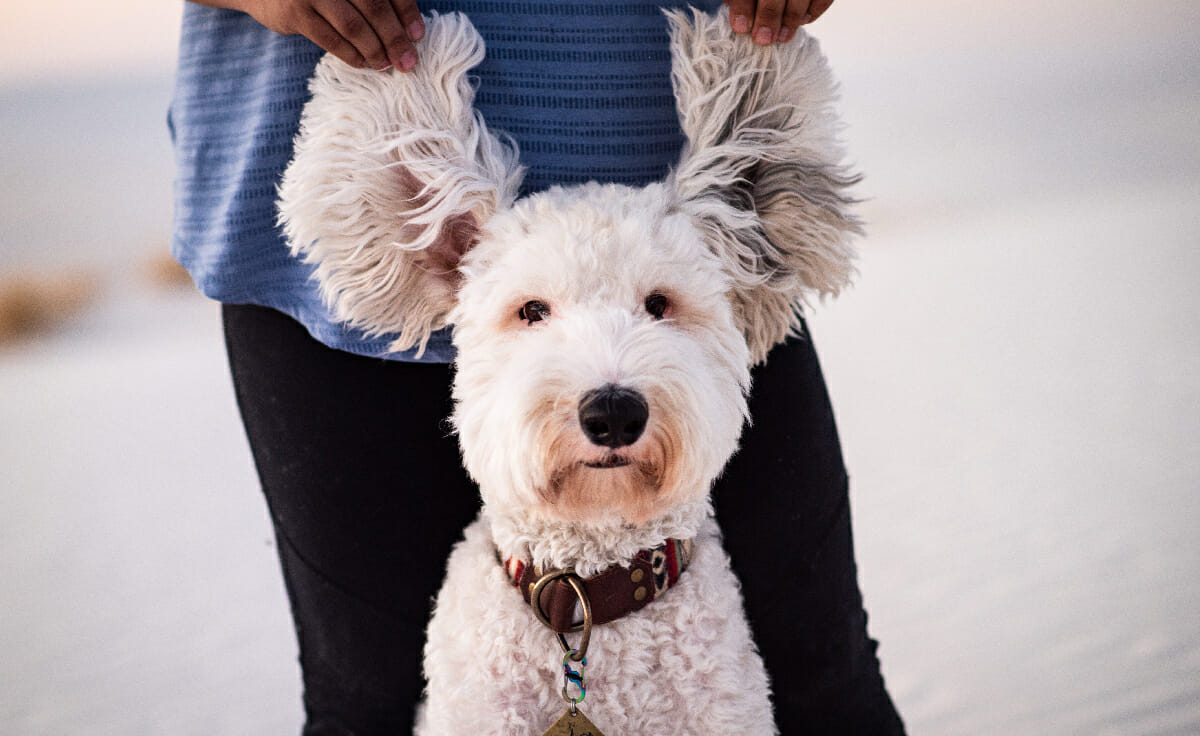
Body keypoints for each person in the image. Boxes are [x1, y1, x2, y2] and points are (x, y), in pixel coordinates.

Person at [170, 1, 905, 733]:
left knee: (833, 688)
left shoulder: (715, 272)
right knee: (357, 706)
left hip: (698, 214)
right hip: (350, 264)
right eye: (536, 317)